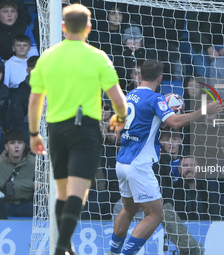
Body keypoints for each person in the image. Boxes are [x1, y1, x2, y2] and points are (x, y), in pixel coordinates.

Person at [28, 4, 127, 255]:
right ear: (88, 28)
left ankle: (65, 245)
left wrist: (33, 134)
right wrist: (120, 117)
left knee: (62, 193)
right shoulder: (97, 56)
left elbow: (35, 100)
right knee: (77, 193)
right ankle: (60, 248)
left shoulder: (48, 57)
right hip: (85, 131)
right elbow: (118, 99)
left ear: (63, 27)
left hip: (56, 130)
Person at [107, 59, 224, 255]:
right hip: (139, 164)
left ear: (141, 75)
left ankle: (112, 252)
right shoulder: (156, 99)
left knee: (129, 210)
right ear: (160, 78)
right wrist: (204, 110)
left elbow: (119, 134)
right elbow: (175, 122)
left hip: (122, 162)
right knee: (155, 215)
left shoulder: (128, 96)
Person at [0, 129, 35, 217]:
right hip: (4, 205)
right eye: (12, 143)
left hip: (27, 205)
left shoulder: (34, 163)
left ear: (24, 146)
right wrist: (31, 184)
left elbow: (45, 186)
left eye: (19, 143)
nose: (16, 146)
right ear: (6, 147)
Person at [10, 55, 39, 145]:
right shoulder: (19, 92)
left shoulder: (53, 87)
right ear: (27, 70)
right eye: (32, 66)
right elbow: (19, 121)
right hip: (28, 131)